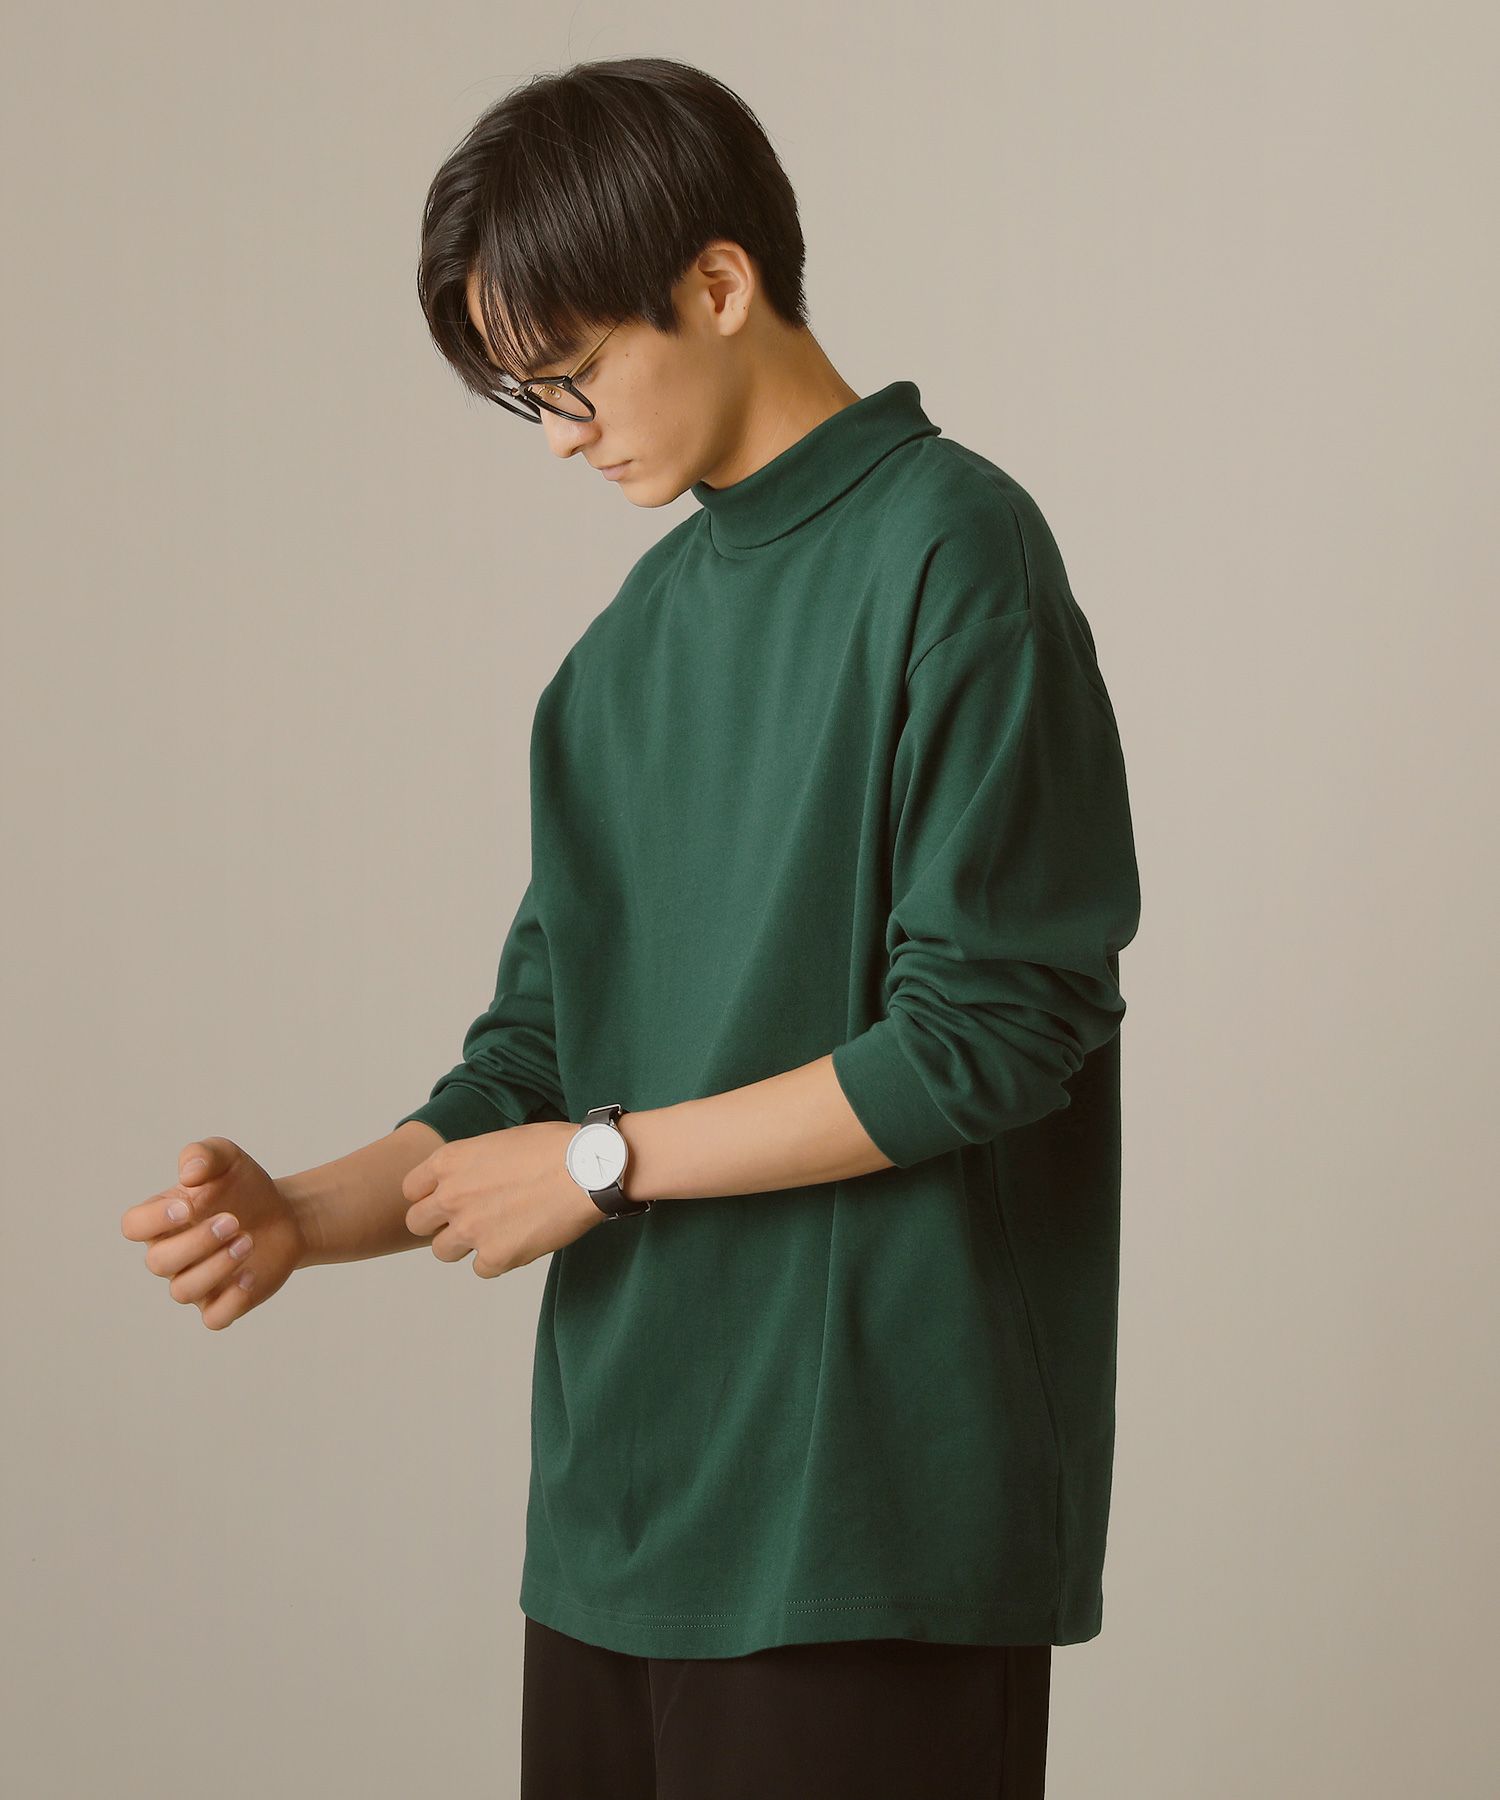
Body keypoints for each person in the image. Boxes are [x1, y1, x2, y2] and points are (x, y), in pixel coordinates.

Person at [122, 55, 1141, 1800]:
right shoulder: (618, 658)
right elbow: (536, 1058)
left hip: (866, 1520)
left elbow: (991, 1035)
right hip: (618, 1519)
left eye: (575, 372)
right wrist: (302, 1214)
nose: (564, 434)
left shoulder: (955, 551)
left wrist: (604, 1166)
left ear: (721, 284)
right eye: (527, 398)